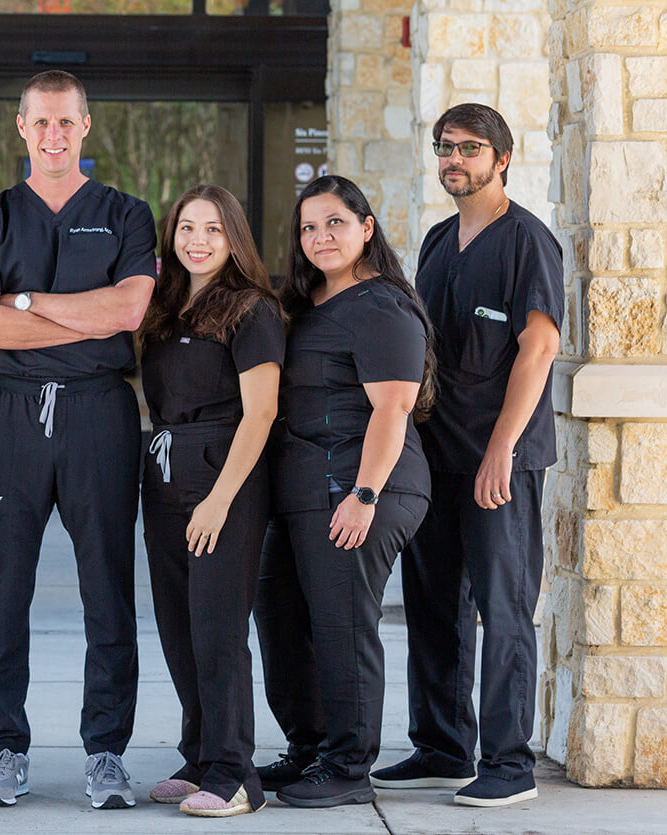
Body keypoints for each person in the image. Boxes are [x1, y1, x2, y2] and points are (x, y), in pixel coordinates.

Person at [0, 70, 156, 809]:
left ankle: (106, 751)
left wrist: (29, 304)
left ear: (86, 126)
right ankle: (4, 749)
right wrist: (84, 315)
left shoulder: (128, 214)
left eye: (66, 123)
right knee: (3, 590)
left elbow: (130, 308)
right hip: (7, 415)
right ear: (21, 128)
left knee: (108, 587)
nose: (53, 136)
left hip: (100, 412)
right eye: (40, 123)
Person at [370, 104, 562, 808]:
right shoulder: (437, 239)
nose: (455, 158)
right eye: (445, 147)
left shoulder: (526, 242)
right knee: (432, 603)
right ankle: (442, 746)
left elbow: (538, 348)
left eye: (470, 148)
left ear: (501, 157)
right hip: (436, 456)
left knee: (503, 605)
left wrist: (502, 449)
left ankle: (508, 760)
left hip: (498, 458)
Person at [254, 175, 436, 808]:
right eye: (308, 227)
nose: (320, 237)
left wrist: (363, 494)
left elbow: (394, 407)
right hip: (303, 492)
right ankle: (311, 749)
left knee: (340, 626)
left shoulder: (382, 305)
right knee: (279, 619)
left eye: (334, 222)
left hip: (363, 488)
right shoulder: (308, 304)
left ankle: (350, 767)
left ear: (366, 227)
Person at [139, 185, 285, 818]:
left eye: (213, 230)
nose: (197, 240)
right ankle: (200, 753)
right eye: (187, 228)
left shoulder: (252, 310)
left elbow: (262, 413)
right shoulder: (166, 310)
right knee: (179, 626)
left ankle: (234, 775)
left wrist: (220, 499)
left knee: (218, 626)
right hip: (165, 474)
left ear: (234, 241)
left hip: (224, 477)